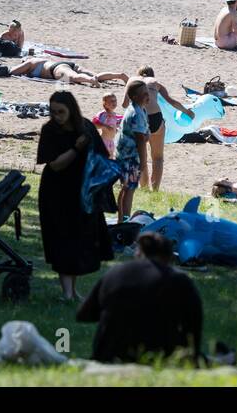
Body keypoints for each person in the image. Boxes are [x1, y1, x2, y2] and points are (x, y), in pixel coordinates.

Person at [76, 232, 203, 364]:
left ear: (138, 253)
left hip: (108, 355)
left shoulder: (115, 273)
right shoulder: (180, 281)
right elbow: (193, 328)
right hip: (159, 358)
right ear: (169, 258)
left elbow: (84, 315)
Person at [37, 90, 113, 301]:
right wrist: (76, 148)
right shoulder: (50, 131)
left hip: (82, 193)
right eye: (53, 112)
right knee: (62, 240)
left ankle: (72, 291)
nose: (57, 116)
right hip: (57, 193)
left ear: (72, 110)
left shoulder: (86, 127)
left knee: (79, 241)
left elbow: (102, 157)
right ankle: (67, 292)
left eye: (61, 111)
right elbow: (56, 165)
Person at [136, 66, 192, 190]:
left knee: (141, 156)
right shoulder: (156, 84)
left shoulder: (134, 82)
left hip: (140, 118)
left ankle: (144, 188)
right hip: (156, 118)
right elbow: (171, 102)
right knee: (158, 158)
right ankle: (155, 189)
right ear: (152, 75)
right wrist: (187, 112)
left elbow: (125, 104)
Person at [113, 80, 150, 223]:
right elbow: (140, 140)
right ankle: (125, 220)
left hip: (124, 154)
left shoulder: (139, 109)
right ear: (134, 97)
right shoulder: (136, 113)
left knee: (126, 188)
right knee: (129, 189)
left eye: (148, 92)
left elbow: (142, 135)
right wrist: (144, 162)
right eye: (144, 93)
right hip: (130, 157)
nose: (147, 95)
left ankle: (122, 219)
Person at [9, 58, 128, 87]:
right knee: (95, 74)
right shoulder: (39, 60)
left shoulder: (29, 62)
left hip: (55, 69)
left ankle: (90, 80)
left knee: (74, 77)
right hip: (66, 64)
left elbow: (13, 72)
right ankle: (119, 75)